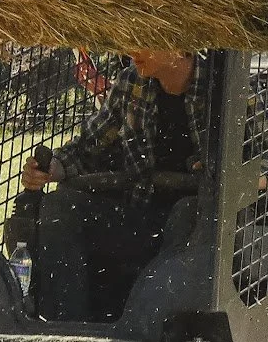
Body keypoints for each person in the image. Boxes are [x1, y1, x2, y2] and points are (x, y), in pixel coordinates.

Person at [20, 50, 204, 322]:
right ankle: (66, 336)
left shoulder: (227, 89)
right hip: (141, 222)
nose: (131, 51)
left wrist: (229, 173)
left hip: (203, 238)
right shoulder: (131, 82)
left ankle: (153, 331)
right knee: (59, 205)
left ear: (176, 44)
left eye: (143, 41)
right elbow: (87, 148)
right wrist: (51, 169)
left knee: (186, 211)